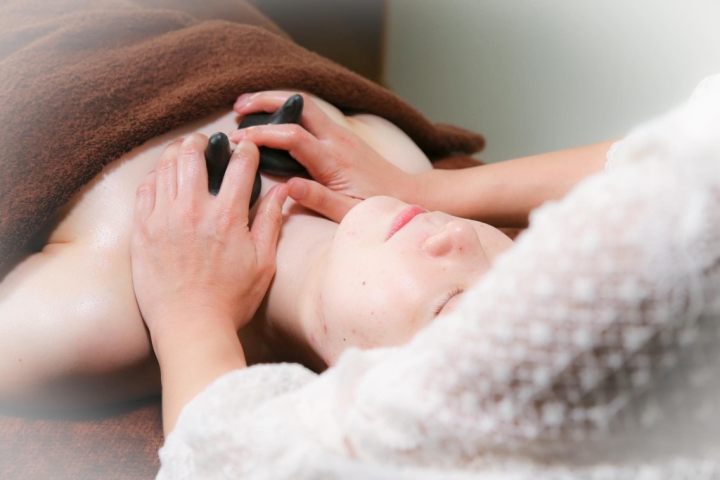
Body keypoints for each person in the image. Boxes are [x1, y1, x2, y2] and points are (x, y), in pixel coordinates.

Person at [0, 90, 610, 421]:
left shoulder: (97, 318)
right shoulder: (396, 159)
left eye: (451, 303)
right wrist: (426, 187)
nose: (464, 239)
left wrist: (190, 314)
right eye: (516, 258)